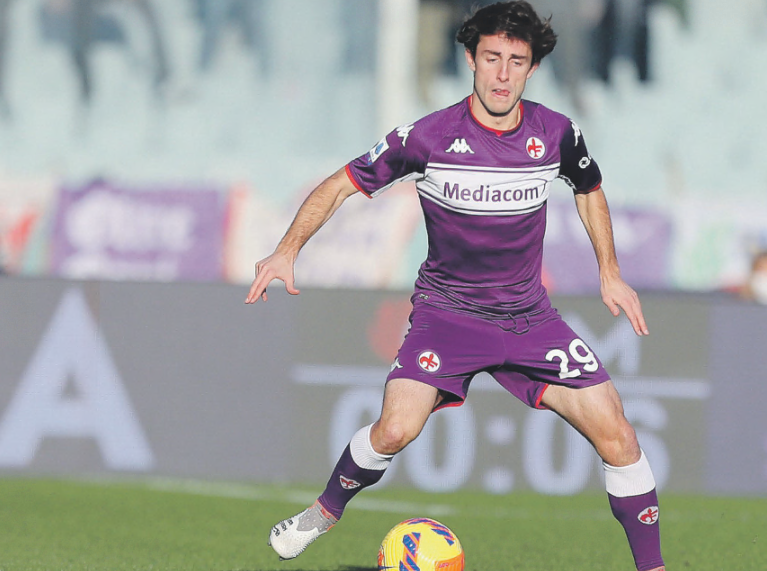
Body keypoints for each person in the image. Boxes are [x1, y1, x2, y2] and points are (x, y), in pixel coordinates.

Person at [245, 3, 665, 570]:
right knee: (395, 428)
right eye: (491, 58)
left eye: (516, 61)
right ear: (470, 58)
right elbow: (341, 183)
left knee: (619, 436)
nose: (502, 74)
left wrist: (610, 272)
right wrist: (287, 250)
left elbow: (588, 188)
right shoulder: (427, 137)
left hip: (529, 319)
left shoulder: (558, 133)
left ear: (532, 68)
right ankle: (322, 512)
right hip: (448, 315)